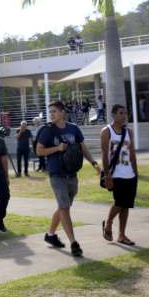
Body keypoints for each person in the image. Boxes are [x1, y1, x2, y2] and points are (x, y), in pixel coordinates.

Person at [37, 100, 100, 257]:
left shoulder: (73, 128)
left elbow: (82, 147)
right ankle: (74, 243)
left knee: (63, 206)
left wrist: (93, 163)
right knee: (64, 207)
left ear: (62, 112)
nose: (51, 114)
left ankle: (50, 235)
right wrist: (57, 148)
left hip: (72, 174)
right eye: (50, 112)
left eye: (54, 111)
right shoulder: (47, 130)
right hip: (56, 174)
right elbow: (39, 151)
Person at [100, 105, 138, 246]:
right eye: (121, 113)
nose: (124, 116)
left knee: (126, 205)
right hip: (116, 174)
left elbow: (132, 154)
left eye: (125, 113)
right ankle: (109, 222)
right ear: (114, 115)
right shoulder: (106, 131)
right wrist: (108, 176)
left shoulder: (129, 131)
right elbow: (104, 155)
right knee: (120, 202)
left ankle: (122, 235)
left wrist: (136, 173)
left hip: (130, 174)